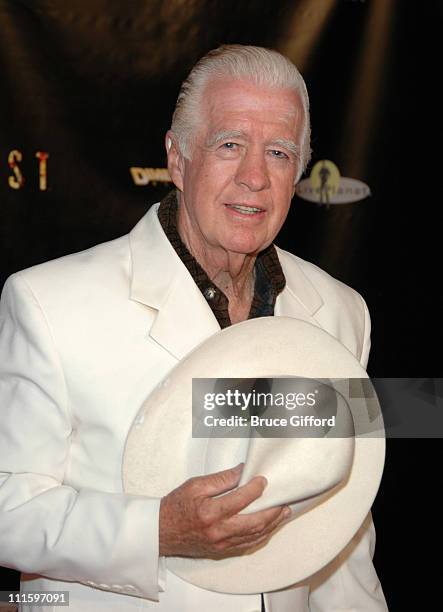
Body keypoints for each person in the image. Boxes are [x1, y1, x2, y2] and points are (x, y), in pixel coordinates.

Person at [0, 45, 387, 611]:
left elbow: (342, 529)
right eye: (230, 145)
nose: (254, 177)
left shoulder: (340, 313)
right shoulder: (48, 302)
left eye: (278, 152)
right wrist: (156, 530)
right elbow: (8, 506)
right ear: (177, 158)